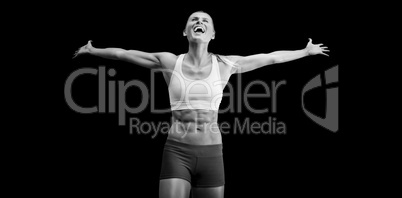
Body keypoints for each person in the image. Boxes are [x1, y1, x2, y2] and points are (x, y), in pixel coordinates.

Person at [73, 11, 329, 198]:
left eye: (205, 21)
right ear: (185, 31)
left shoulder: (225, 64)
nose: (199, 22)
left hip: (212, 154)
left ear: (213, 34)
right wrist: (93, 51)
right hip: (177, 152)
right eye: (194, 20)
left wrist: (305, 53)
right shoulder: (169, 62)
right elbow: (123, 54)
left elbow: (271, 58)